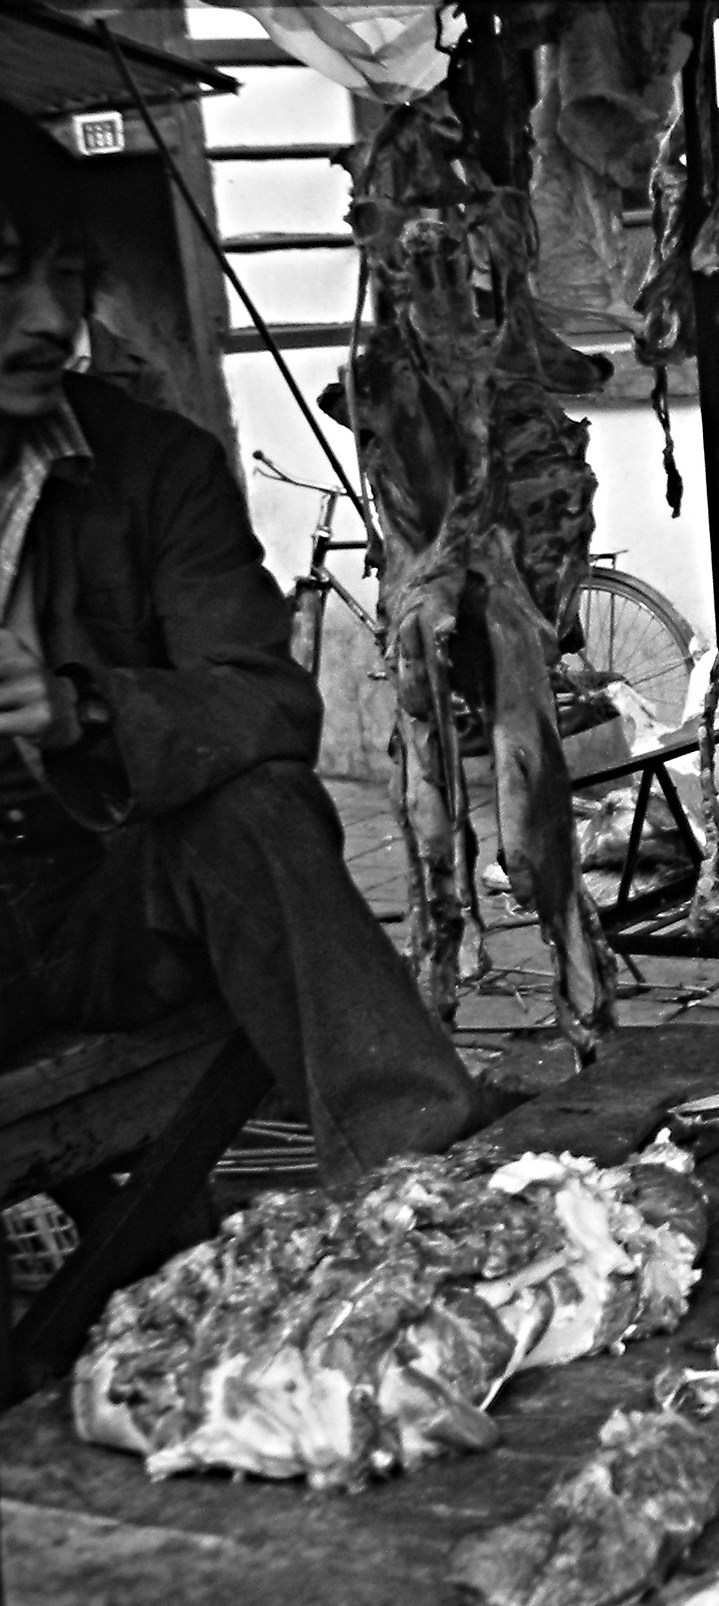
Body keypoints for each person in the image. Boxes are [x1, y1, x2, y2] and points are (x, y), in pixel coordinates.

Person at [0, 105, 481, 1187]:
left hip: (101, 906)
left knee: (255, 804)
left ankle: (424, 1177)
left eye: (68, 275)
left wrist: (83, 709)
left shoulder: (151, 465)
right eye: (2, 277)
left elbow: (265, 701)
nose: (47, 319)